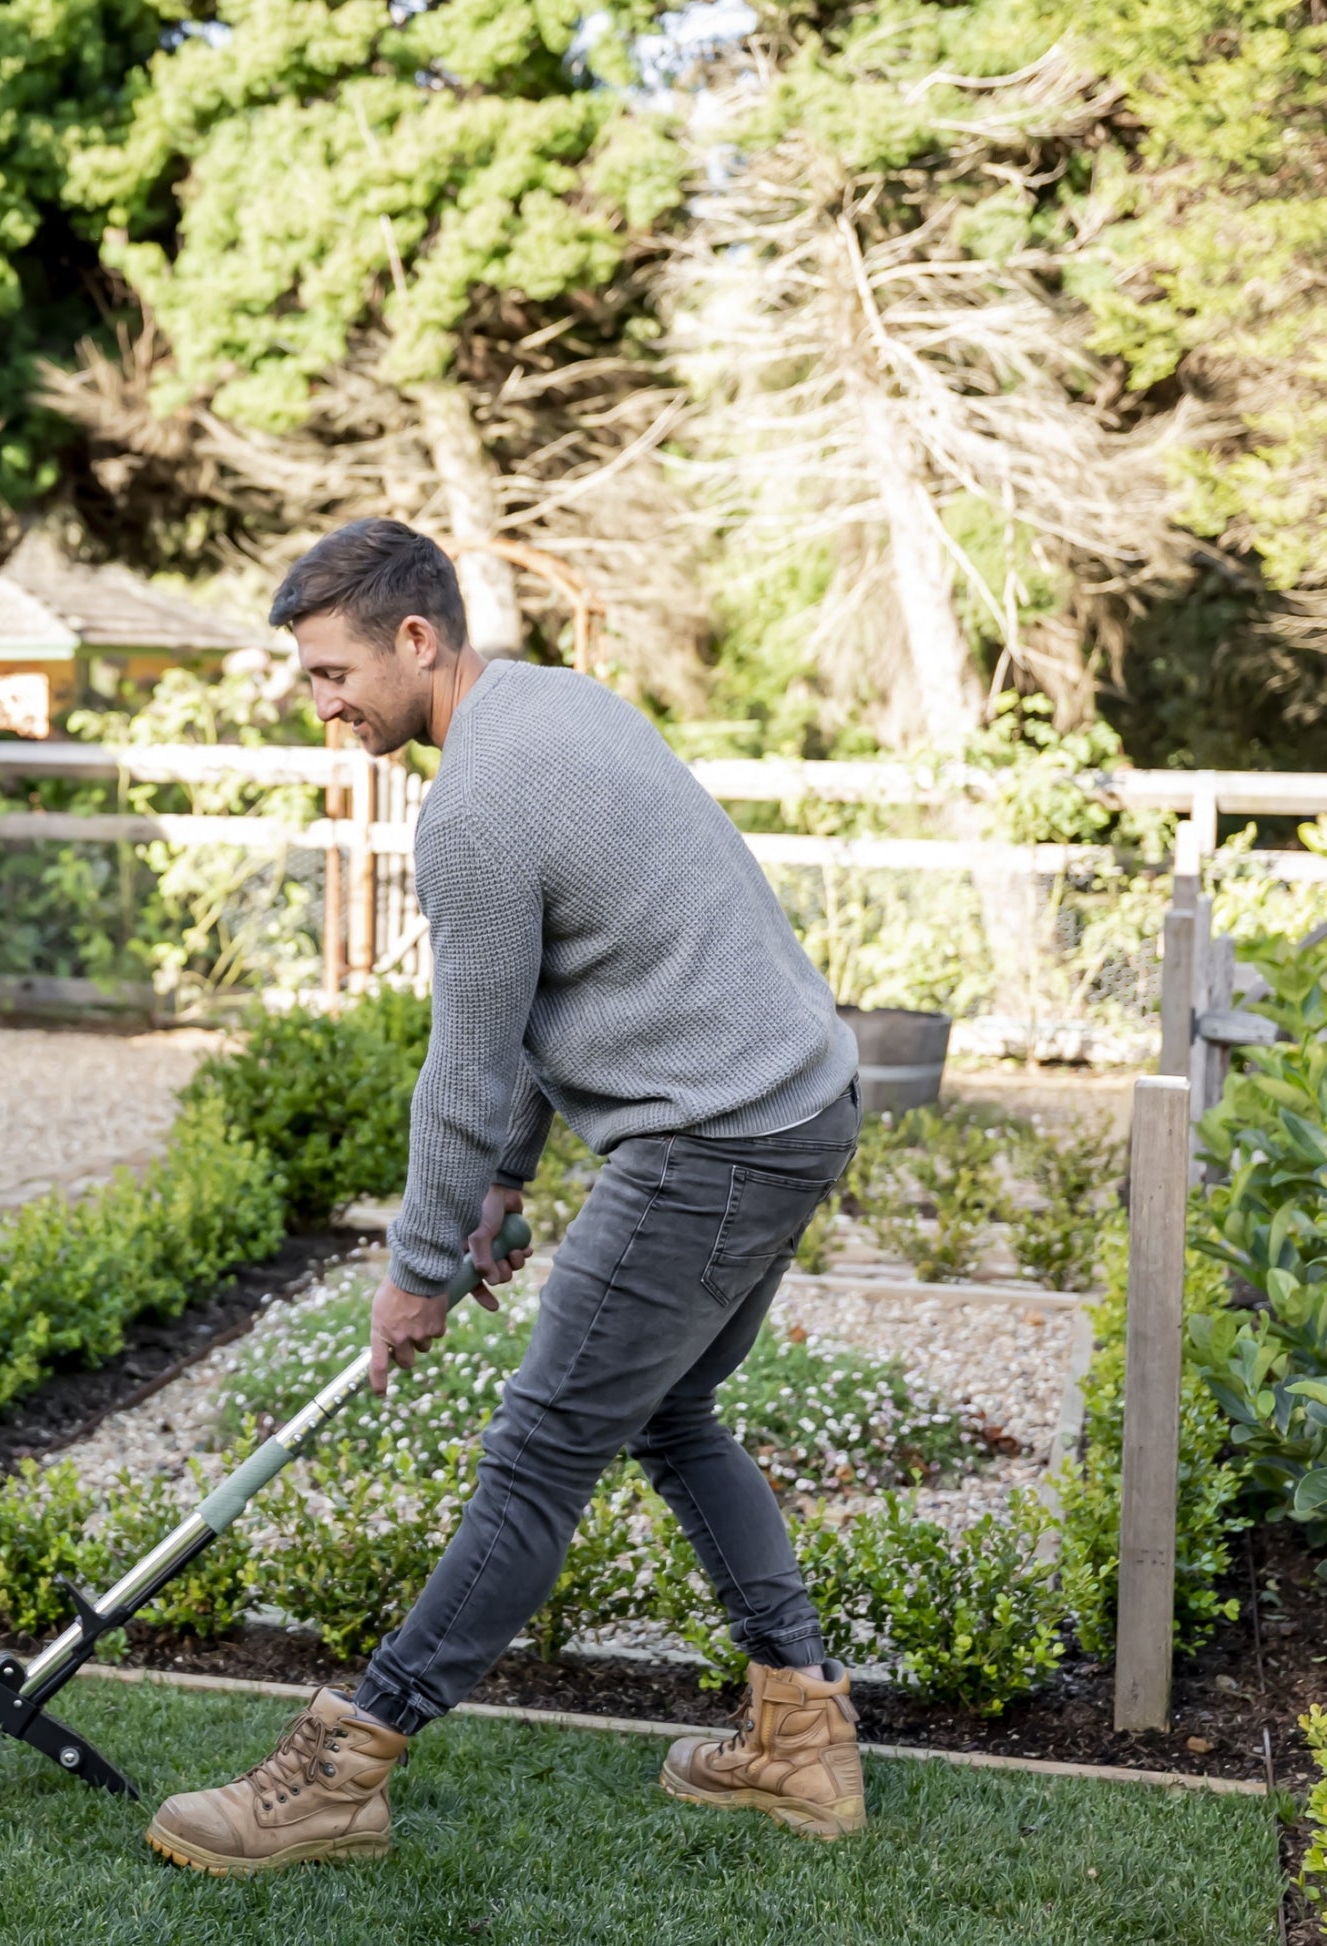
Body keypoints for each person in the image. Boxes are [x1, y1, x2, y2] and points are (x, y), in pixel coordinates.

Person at [146, 520, 864, 1876]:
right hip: (799, 1105)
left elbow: (466, 1064)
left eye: (331, 671)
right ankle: (797, 1733)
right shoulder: (552, 703)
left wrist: (418, 1264)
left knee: (538, 1452)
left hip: (711, 1140)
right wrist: (504, 1187)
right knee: (666, 1412)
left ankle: (346, 1763)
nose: (324, 703)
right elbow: (552, 999)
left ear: (416, 640)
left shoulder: (470, 808)